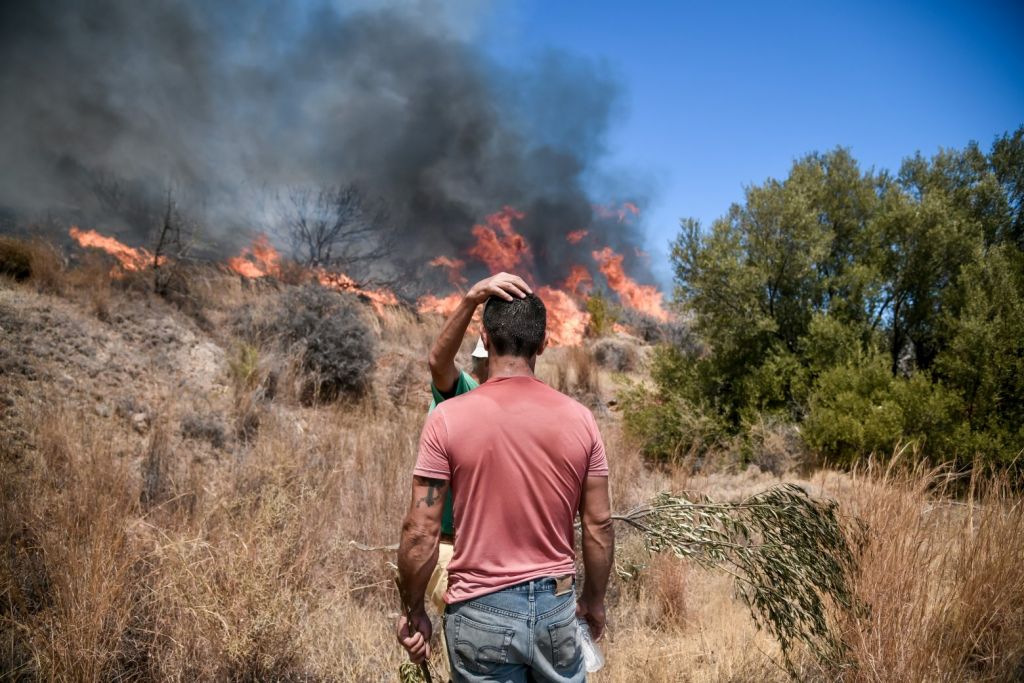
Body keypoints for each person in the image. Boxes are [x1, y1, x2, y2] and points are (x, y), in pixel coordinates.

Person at [397, 293, 615, 682]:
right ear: (543, 344)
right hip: (557, 606)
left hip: (480, 610)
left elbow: (420, 531)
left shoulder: (447, 418)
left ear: (485, 336)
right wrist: (594, 601)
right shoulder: (581, 420)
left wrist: (414, 611)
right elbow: (599, 526)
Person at [425, 271, 533, 680]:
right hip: (458, 552)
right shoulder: (464, 394)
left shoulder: (527, 404)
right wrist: (471, 300)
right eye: (484, 363)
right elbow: (438, 363)